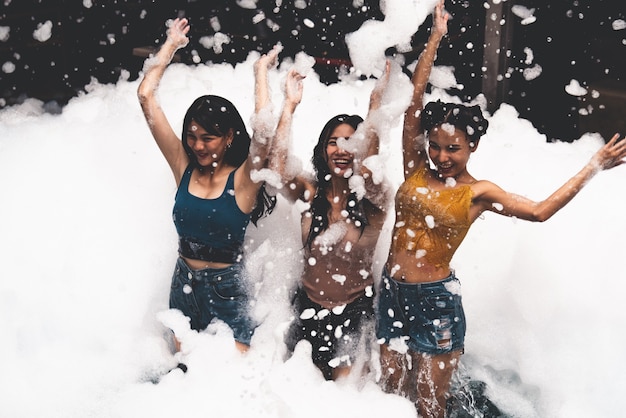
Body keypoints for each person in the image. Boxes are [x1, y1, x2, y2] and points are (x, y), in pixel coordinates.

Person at [375, 1, 626, 417]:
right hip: (392, 291)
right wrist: (435, 39)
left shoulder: (478, 193)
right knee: (388, 395)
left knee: (428, 408)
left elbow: (541, 210)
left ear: (472, 146)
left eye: (452, 148)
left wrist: (593, 166)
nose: (441, 155)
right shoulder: (416, 169)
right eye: (436, 146)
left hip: (436, 301)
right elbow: (414, 102)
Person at [137, 17, 277, 356]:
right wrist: (171, 45)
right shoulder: (182, 167)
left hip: (227, 286)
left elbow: (263, 134)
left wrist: (260, 74)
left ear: (228, 137)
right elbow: (145, 96)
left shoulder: (243, 181)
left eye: (208, 138)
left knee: (232, 381)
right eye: (192, 137)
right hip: (183, 282)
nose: (198, 146)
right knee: (182, 376)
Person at [272, 63, 392, 380]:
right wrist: (289, 107)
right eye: (333, 142)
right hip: (307, 306)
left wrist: (375, 105)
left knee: (343, 402)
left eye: (350, 141)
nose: (341, 149)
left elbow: (372, 166)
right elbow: (275, 168)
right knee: (297, 392)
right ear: (323, 150)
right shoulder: (311, 193)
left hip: (355, 311)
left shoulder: (372, 201)